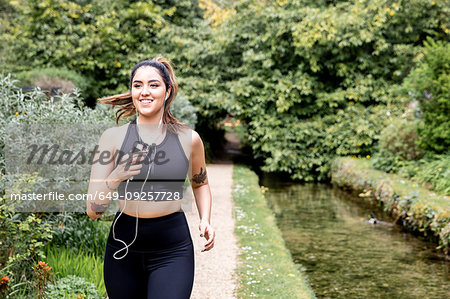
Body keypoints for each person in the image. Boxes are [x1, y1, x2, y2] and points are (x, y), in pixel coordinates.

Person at [86, 56, 215, 299]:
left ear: (167, 91)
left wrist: (205, 219)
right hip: (122, 248)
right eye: (137, 85)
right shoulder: (112, 139)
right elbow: (93, 211)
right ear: (132, 91)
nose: (144, 91)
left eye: (154, 85)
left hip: (172, 249)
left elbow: (201, 183)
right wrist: (116, 176)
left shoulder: (189, 139)